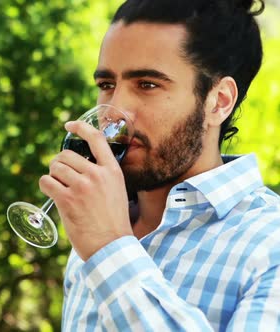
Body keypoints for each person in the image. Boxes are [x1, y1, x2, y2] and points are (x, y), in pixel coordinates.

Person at [39, 0, 280, 330]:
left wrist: (110, 250)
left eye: (147, 85)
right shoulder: (99, 227)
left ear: (218, 101)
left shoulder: (271, 245)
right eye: (107, 85)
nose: (113, 110)